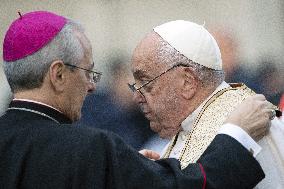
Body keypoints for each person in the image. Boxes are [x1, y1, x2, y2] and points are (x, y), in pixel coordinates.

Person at [0, 11, 271, 189]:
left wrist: (131, 171)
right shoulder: (90, 150)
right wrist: (235, 136)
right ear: (58, 75)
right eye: (88, 72)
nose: (92, 87)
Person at [129, 20, 284, 188]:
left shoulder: (245, 124)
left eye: (145, 83)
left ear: (187, 82)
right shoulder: (195, 125)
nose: (136, 97)